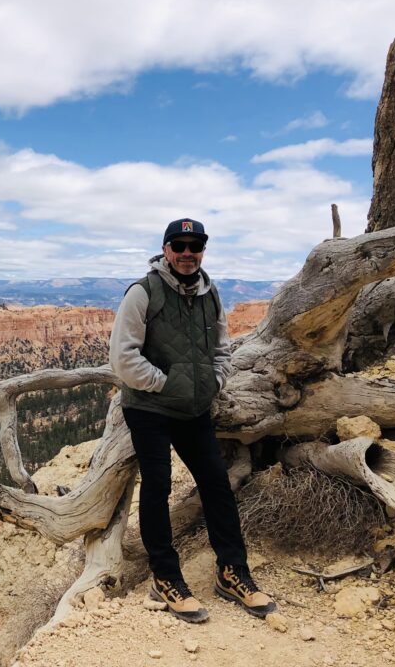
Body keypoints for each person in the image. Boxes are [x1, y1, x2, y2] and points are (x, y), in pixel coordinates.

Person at [109, 218, 276, 624]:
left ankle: (232, 571)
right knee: (158, 486)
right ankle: (165, 577)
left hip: (194, 407)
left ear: (202, 250)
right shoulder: (143, 292)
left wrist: (214, 382)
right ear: (166, 249)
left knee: (216, 484)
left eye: (195, 246)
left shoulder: (209, 292)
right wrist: (167, 384)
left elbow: (222, 347)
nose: (187, 254)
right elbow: (123, 357)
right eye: (179, 246)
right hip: (149, 407)